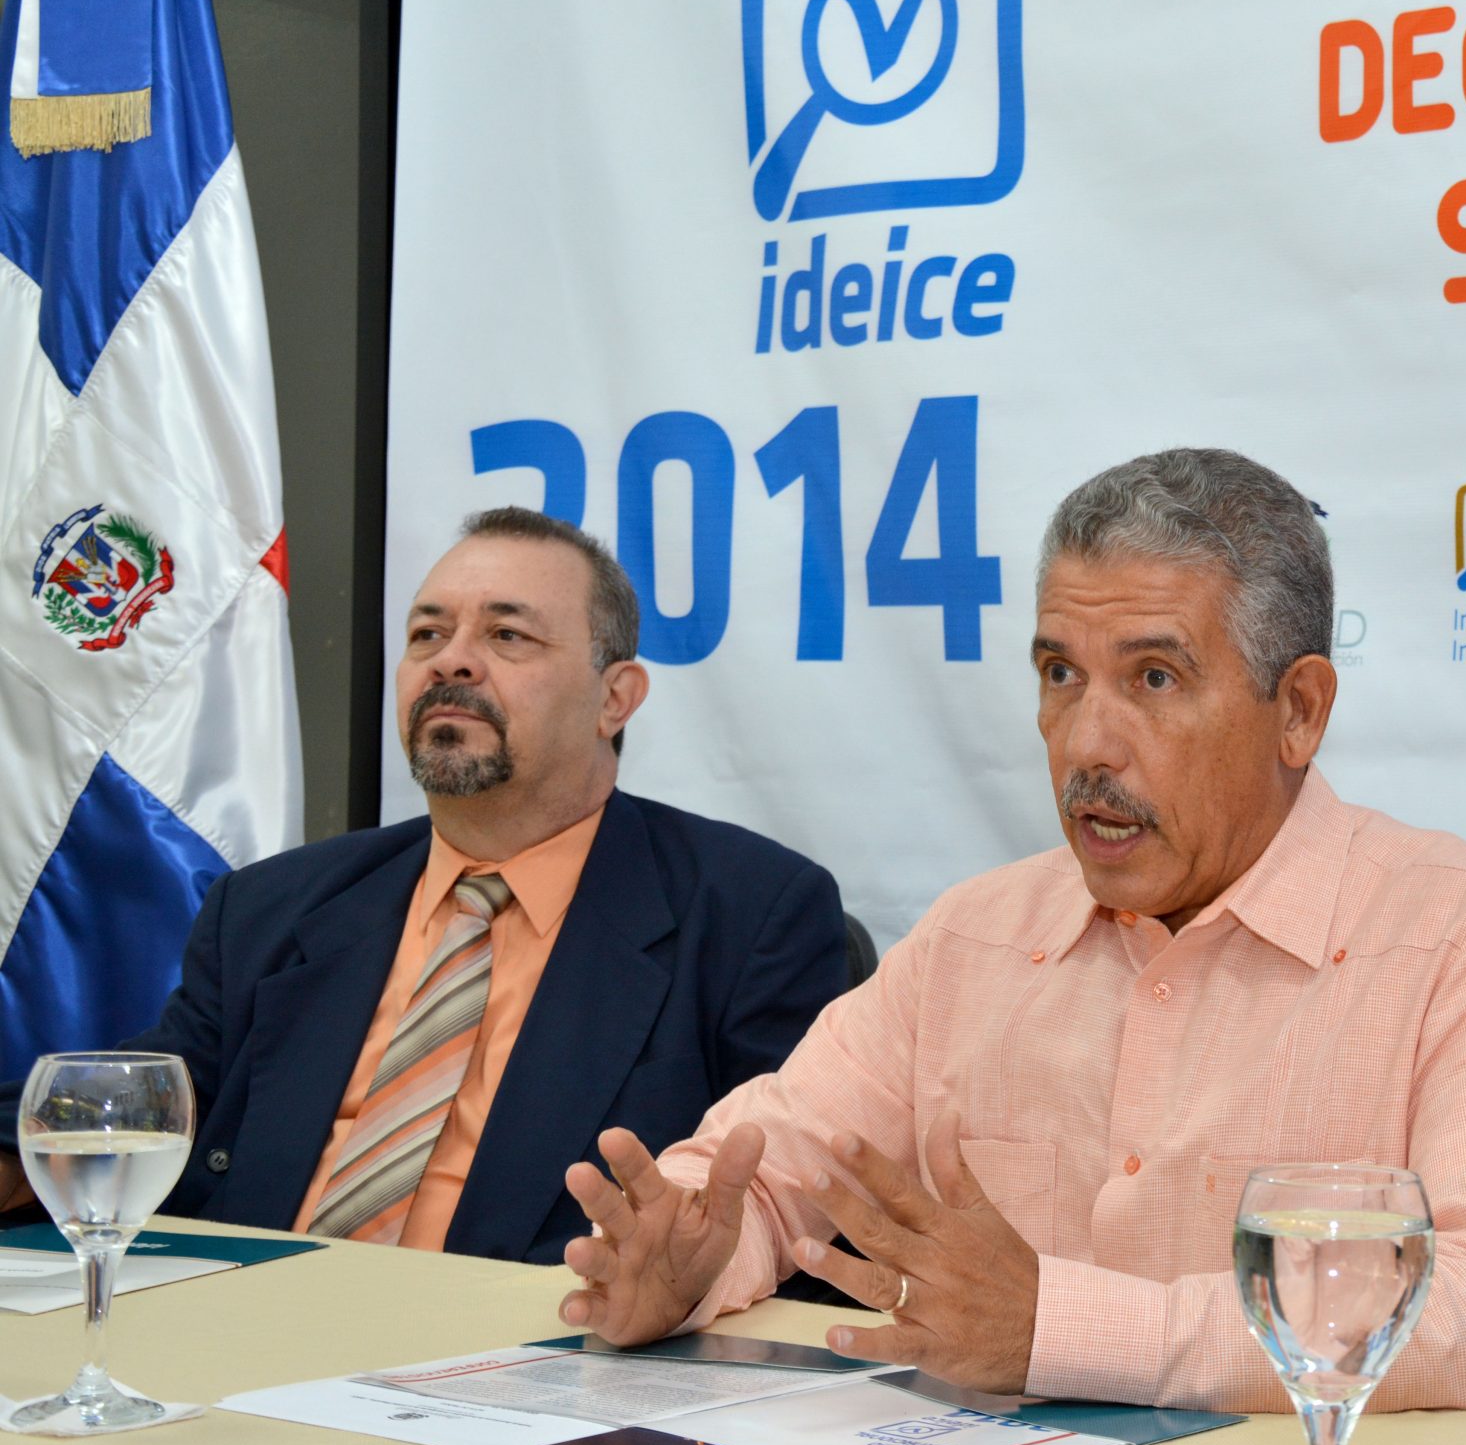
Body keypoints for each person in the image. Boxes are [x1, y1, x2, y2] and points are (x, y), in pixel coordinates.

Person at [556, 448, 1466, 1417]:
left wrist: (1072, 1330)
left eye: (1154, 678)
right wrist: (689, 1251)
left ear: (1298, 709)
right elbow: (771, 1166)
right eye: (1059, 675)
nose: (1085, 745)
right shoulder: (976, 935)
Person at [0, 508, 847, 1264]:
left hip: (526, 1368)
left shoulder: (750, 915)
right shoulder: (269, 907)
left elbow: (788, 1216)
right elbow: (142, 1113)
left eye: (508, 636)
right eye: (427, 635)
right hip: (236, 1337)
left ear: (614, 698)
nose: (455, 662)